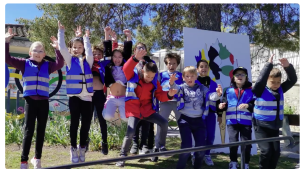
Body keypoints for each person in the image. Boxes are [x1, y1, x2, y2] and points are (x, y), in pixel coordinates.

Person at [5, 27, 64, 169]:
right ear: (30, 52)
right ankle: (23, 161)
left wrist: (57, 49)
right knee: (28, 130)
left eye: (41, 50)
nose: (38, 53)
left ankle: (37, 159)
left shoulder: (48, 66)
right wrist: (6, 41)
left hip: (43, 102)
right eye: (35, 50)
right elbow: (6, 58)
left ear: (44, 53)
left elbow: (60, 64)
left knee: (41, 131)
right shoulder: (24, 63)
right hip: (30, 102)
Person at [115, 44, 178, 167]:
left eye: (152, 77)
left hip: (147, 111)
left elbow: (160, 95)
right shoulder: (133, 75)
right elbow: (126, 69)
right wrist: (135, 58)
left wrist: (169, 95)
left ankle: (161, 147)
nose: (150, 79)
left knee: (164, 122)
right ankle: (122, 156)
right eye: (148, 76)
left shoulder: (155, 80)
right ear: (143, 71)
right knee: (130, 133)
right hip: (134, 111)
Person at [252, 54, 297, 169]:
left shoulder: (280, 89)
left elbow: (293, 80)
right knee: (266, 151)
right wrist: (268, 65)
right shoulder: (260, 90)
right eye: (273, 82)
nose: (276, 85)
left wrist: (287, 66)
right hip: (261, 126)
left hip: (274, 126)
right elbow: (260, 81)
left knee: (276, 153)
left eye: (278, 82)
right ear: (267, 80)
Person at [57, 21, 93, 163]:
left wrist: (86, 38)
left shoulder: (88, 61)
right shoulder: (70, 61)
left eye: (80, 47)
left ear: (83, 48)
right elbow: (62, 48)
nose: (77, 49)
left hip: (86, 97)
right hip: (74, 97)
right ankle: (73, 148)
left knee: (85, 124)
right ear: (71, 49)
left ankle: (82, 147)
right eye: (74, 47)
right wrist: (61, 32)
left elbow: (89, 51)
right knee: (74, 124)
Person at [174, 66, 222, 169]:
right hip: (184, 120)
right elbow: (174, 88)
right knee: (186, 148)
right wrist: (171, 83)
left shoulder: (202, 88)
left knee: (201, 150)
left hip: (199, 121)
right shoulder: (181, 87)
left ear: (196, 77)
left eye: (192, 76)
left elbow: (211, 96)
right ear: (183, 77)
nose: (190, 78)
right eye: (187, 76)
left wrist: (218, 94)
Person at [218, 67, 254, 169]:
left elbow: (255, 104)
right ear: (233, 78)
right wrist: (221, 108)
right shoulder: (228, 91)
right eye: (237, 74)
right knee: (233, 143)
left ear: (246, 78)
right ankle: (233, 162)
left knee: (246, 144)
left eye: (242, 74)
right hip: (231, 122)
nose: (239, 76)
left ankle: (245, 163)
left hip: (246, 122)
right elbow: (223, 104)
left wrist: (248, 106)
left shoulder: (251, 91)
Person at [151, 53, 183, 162]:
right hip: (164, 102)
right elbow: (157, 87)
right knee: (161, 125)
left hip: (178, 103)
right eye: (169, 63)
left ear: (177, 64)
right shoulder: (161, 74)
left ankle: (185, 149)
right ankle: (158, 147)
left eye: (174, 63)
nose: (171, 65)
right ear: (166, 64)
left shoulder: (181, 75)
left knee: (182, 125)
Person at [102, 26, 132, 122]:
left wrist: (128, 37)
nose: (117, 59)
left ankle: (122, 113)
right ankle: (108, 107)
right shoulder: (109, 66)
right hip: (112, 97)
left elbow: (127, 52)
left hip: (124, 98)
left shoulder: (125, 66)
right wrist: (106, 34)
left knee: (125, 118)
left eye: (120, 57)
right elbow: (107, 50)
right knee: (106, 116)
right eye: (115, 57)